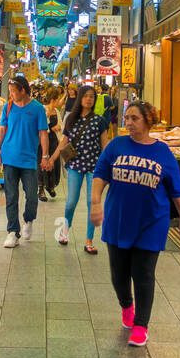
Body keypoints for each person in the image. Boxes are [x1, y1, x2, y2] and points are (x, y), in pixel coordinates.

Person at [90, 101, 180, 346]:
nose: (128, 123)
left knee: (143, 274)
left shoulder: (163, 153)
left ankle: (141, 325)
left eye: (134, 118)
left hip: (151, 222)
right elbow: (101, 173)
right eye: (126, 118)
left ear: (147, 121)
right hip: (118, 220)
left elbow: (177, 189)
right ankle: (126, 306)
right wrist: (95, 203)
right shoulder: (116, 145)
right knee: (118, 275)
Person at [0, 74, 50, 248]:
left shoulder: (38, 108)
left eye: (12, 91)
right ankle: (12, 232)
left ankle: (29, 219)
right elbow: (1, 130)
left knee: (32, 195)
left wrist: (46, 156)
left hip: (28, 159)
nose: (10, 94)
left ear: (22, 90)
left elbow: (43, 133)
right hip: (9, 157)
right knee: (11, 196)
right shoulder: (8, 107)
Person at [49, 84, 106, 251]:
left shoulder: (99, 120)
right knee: (71, 202)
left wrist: (110, 165)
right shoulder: (71, 119)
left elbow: (105, 145)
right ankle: (65, 231)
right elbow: (64, 143)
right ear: (80, 98)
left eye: (92, 96)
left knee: (92, 202)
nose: (89, 99)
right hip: (75, 165)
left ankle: (89, 240)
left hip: (94, 166)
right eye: (86, 95)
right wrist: (51, 159)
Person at [39, 84, 64, 201]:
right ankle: (41, 189)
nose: (60, 101)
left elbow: (61, 125)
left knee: (53, 163)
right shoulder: (43, 109)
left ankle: (50, 186)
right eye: (58, 98)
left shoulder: (57, 111)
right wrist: (50, 125)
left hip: (54, 141)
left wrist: (59, 127)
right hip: (43, 142)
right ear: (53, 99)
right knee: (42, 163)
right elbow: (41, 126)